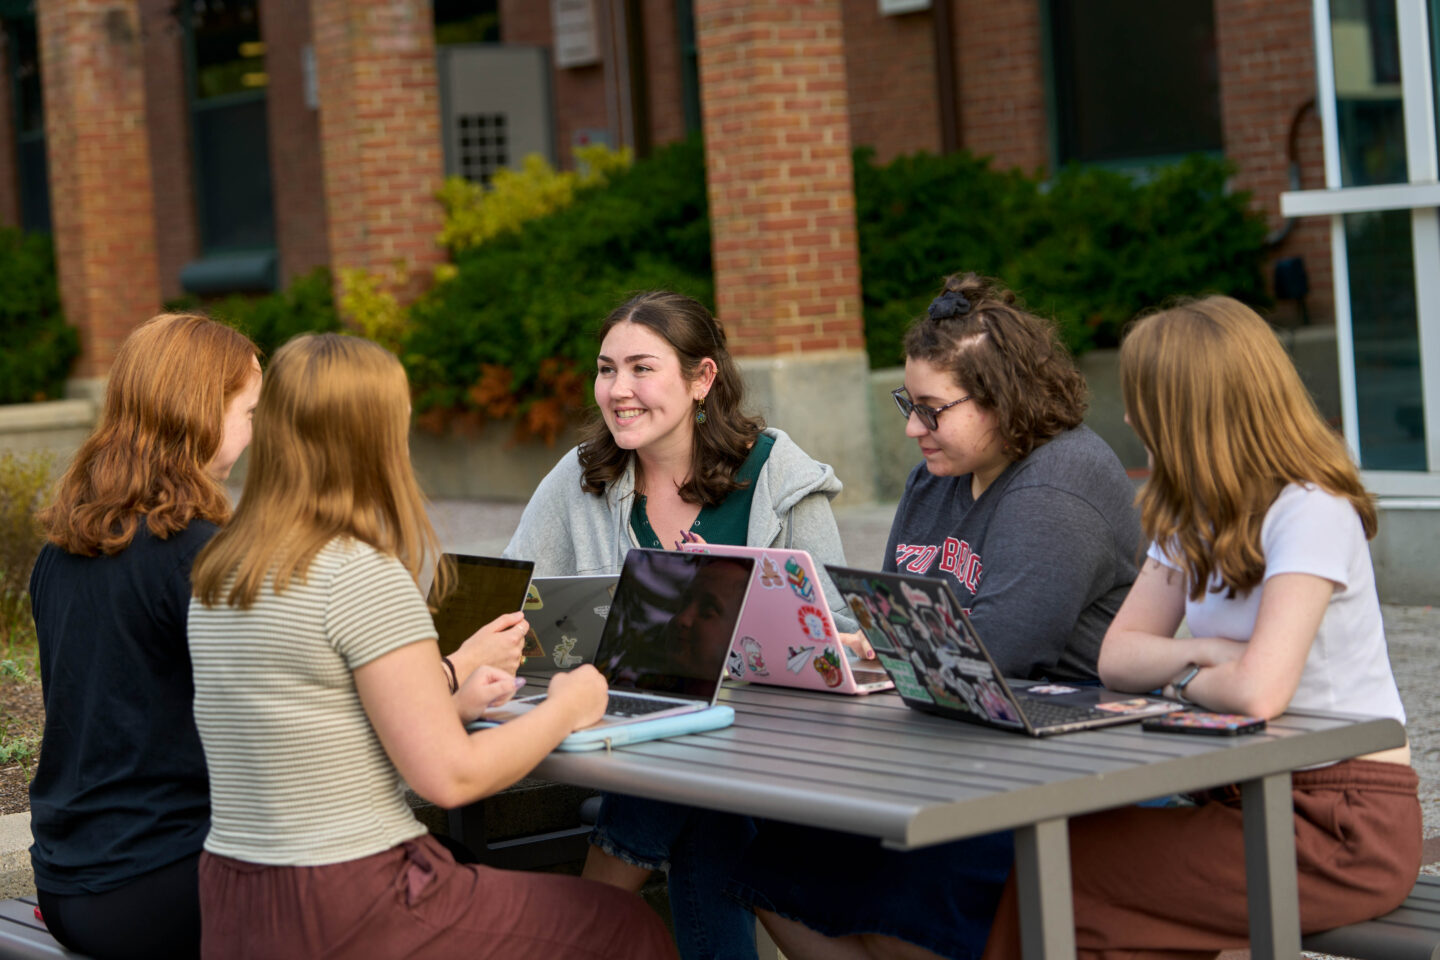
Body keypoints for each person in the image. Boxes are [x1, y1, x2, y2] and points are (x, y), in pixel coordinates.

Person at [187, 333, 676, 960]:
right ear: (378, 435)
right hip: (353, 898)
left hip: (235, 895)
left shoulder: (222, 570)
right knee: (621, 925)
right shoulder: (358, 573)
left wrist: (454, 705)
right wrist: (569, 706)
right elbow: (450, 778)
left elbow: (308, 734)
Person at [980, 296, 1421, 959]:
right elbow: (1117, 658)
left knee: (1073, 878)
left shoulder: (1311, 509)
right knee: (1064, 863)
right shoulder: (1193, 512)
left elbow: (1258, 694)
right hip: (1247, 797)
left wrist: (1189, 671)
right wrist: (1211, 654)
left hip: (1341, 821)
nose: (1128, 416)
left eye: (1143, 400)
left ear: (1191, 408)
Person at [729, 272, 1143, 960]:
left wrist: (878, 648)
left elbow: (998, 649)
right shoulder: (939, 473)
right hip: (955, 748)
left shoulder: (1061, 482)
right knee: (770, 865)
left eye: (931, 409)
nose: (914, 428)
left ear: (1003, 399)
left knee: (907, 901)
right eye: (907, 403)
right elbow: (903, 617)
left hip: (1062, 768)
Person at [504, 290, 858, 960]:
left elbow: (838, 630)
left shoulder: (776, 474)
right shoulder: (579, 476)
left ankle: (583, 931)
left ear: (702, 379)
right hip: (633, 742)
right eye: (607, 369)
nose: (618, 390)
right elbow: (513, 605)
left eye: (642, 369)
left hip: (771, 745)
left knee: (700, 778)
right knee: (698, 787)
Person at [27, 313, 261, 960]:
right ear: (201, 412)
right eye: (247, 410)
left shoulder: (65, 547)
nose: (252, 429)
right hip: (157, 882)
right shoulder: (195, 552)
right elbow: (276, 714)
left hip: (67, 878)